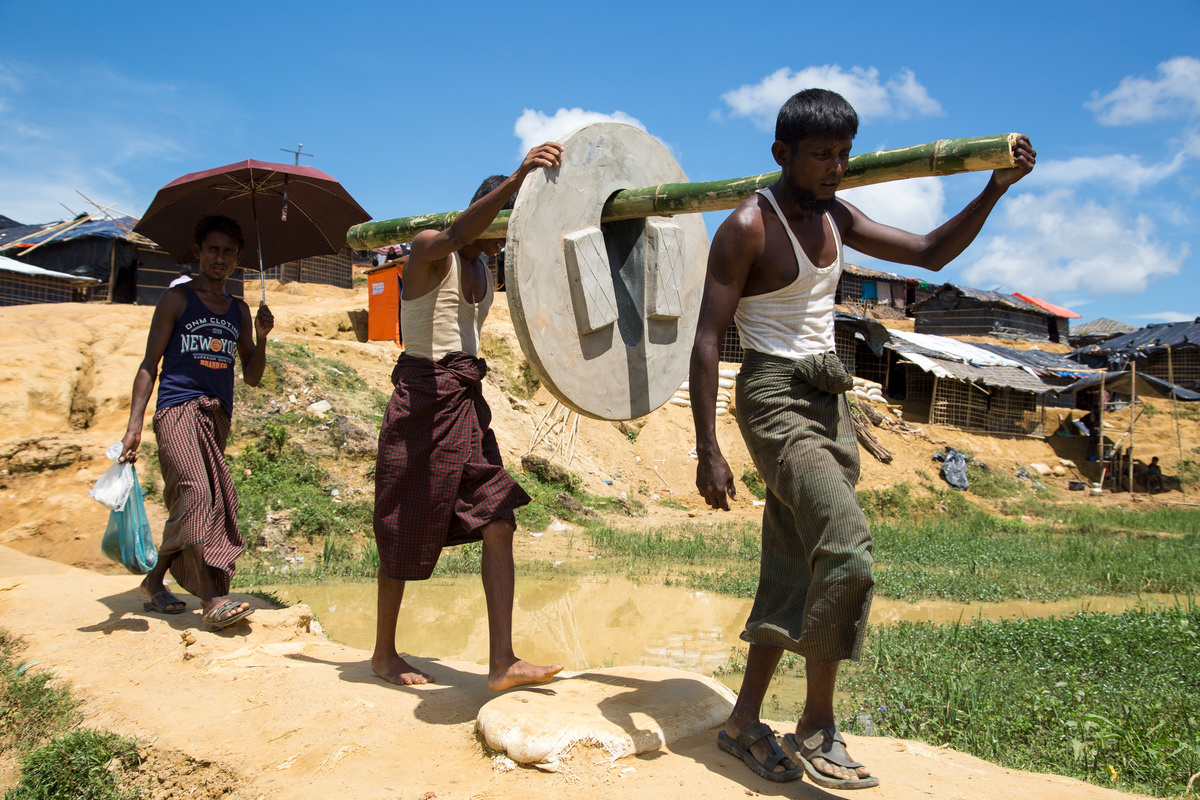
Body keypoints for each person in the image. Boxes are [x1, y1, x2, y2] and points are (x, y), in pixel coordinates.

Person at [690, 89, 1035, 789]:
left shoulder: (840, 217)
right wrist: (706, 448)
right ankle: (817, 724)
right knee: (847, 548)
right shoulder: (748, 227)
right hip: (773, 399)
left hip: (829, 403)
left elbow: (933, 254)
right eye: (821, 155)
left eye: (844, 154)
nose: (835, 167)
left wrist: (994, 187)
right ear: (782, 154)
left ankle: (742, 721)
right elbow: (703, 340)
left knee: (797, 562)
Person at [371, 142, 565, 691]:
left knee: (499, 517)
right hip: (422, 399)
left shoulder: (486, 266)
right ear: (492, 209)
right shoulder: (432, 248)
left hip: (464, 403)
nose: (509, 235)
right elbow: (459, 234)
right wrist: (523, 172)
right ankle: (383, 654)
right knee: (401, 521)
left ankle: (501, 661)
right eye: (508, 219)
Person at [119, 215, 274, 632]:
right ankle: (211, 598)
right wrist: (134, 426)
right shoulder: (177, 300)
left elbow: (253, 375)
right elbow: (149, 365)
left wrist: (261, 338)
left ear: (238, 259)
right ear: (198, 252)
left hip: (216, 414)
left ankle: (154, 581)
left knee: (197, 499)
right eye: (213, 249)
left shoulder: (239, 310)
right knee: (198, 491)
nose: (219, 258)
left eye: (228, 252)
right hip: (177, 409)